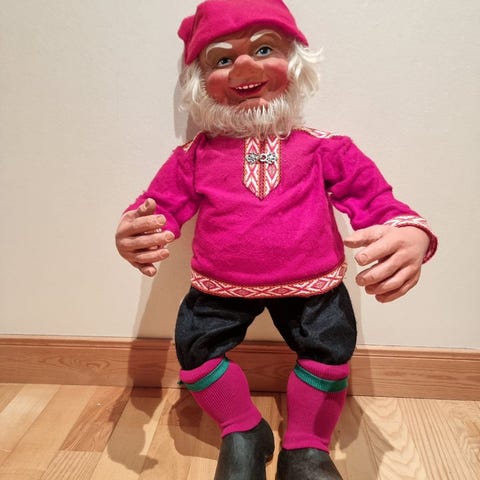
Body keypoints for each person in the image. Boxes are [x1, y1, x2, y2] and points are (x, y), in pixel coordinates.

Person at [115, 1, 437, 479]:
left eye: (264, 49)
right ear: (200, 82)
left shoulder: (327, 148)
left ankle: (306, 446)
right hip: (218, 286)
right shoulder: (194, 156)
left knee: (329, 352)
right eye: (222, 59)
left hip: (315, 285)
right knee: (196, 353)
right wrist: (133, 232)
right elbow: (156, 208)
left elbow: (377, 201)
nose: (245, 67)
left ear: (295, 62)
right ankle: (243, 430)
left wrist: (411, 234)